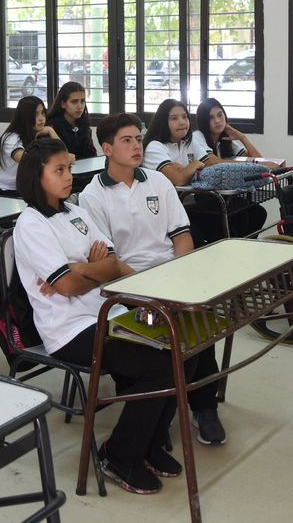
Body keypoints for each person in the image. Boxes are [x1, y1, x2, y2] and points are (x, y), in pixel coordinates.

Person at [13, 138, 197, 495]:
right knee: (160, 365)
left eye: (68, 168)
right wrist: (89, 270)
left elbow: (111, 263)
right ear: (37, 177)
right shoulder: (31, 224)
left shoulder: (75, 211)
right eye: (60, 170)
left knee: (182, 350)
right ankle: (119, 456)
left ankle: (148, 444)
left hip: (105, 311)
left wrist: (85, 268)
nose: (69, 176)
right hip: (68, 330)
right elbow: (65, 287)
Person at [79, 113, 226, 444]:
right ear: (106, 148)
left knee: (200, 317)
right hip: (126, 285)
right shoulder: (92, 197)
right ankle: (161, 408)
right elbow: (111, 263)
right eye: (126, 141)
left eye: (138, 140)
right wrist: (151, 286)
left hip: (168, 274)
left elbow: (182, 236)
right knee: (178, 325)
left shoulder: (157, 182)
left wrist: (179, 276)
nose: (136, 147)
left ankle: (204, 406)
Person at [142, 99, 266, 241]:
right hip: (169, 209)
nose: (182, 122)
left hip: (191, 201)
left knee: (252, 213)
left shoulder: (188, 141)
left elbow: (211, 165)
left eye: (185, 117)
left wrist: (189, 168)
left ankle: (243, 256)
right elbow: (178, 179)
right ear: (163, 122)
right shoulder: (155, 146)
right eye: (174, 118)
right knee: (227, 228)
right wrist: (194, 165)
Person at [0, 95, 63, 197]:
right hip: (4, 190)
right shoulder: (10, 138)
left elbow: (64, 156)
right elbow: (26, 160)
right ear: (25, 117)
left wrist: (51, 131)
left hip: (25, 188)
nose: (41, 118)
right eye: (36, 114)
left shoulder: (39, 134)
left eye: (43, 113)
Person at [194, 97, 263, 160]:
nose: (217, 120)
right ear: (203, 121)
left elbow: (260, 161)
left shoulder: (226, 140)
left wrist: (243, 138)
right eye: (211, 118)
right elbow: (214, 163)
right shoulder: (197, 136)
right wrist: (248, 163)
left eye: (220, 115)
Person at [47, 82, 97, 159]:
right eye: (74, 102)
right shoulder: (52, 126)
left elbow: (92, 154)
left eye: (82, 101)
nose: (80, 106)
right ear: (63, 104)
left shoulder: (83, 124)